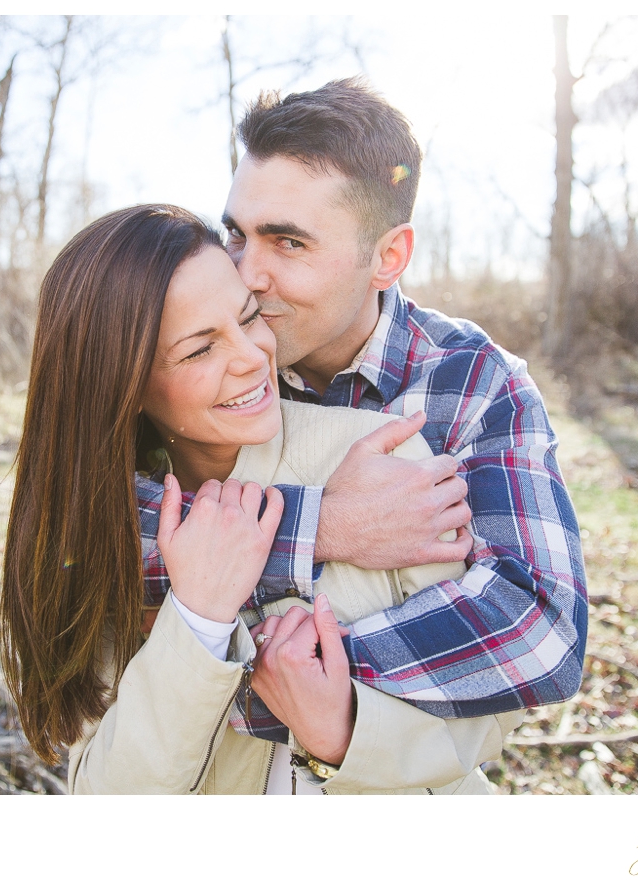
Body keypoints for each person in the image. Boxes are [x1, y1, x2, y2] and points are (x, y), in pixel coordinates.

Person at [0, 204, 521, 794]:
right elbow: (108, 794)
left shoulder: (380, 463)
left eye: (248, 318)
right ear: (123, 383)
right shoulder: (99, 533)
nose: (252, 358)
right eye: (200, 350)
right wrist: (196, 618)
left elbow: (490, 714)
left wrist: (344, 732)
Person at [134, 77, 587, 754]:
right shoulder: (213, 358)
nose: (246, 274)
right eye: (237, 233)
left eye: (288, 244)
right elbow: (86, 529)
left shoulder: (471, 384)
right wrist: (321, 527)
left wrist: (294, 686)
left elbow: (536, 628)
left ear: (388, 257)